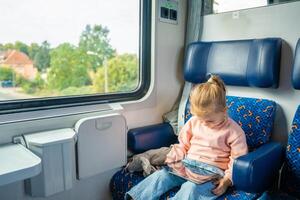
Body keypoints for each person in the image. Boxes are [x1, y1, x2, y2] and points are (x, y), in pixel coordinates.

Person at [125, 75, 248, 200]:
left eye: (209, 121)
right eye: (200, 119)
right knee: (162, 175)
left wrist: (227, 181)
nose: (204, 123)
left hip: (212, 175)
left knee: (190, 188)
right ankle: (136, 197)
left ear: (224, 110)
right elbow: (183, 145)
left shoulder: (234, 132)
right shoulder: (194, 122)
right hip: (187, 166)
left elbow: (236, 162)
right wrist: (175, 157)